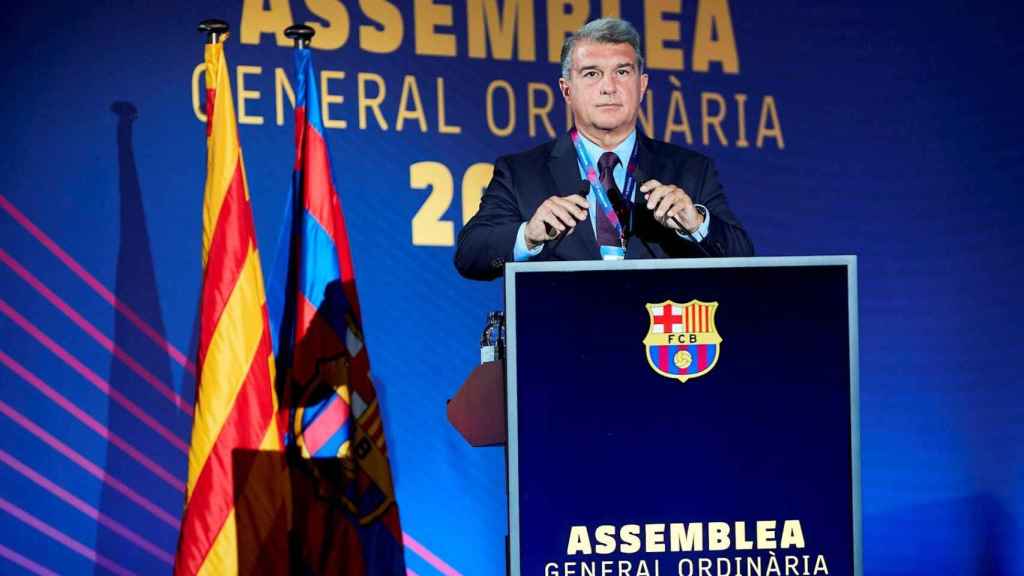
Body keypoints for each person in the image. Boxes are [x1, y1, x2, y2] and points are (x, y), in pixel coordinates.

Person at [454, 17, 753, 281]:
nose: (609, 87)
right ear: (566, 89)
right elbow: (471, 255)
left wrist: (696, 223)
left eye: (622, 72)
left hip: (659, 339)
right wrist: (528, 236)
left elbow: (745, 260)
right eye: (591, 74)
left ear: (642, 85)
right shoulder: (521, 172)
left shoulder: (691, 170)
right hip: (564, 337)